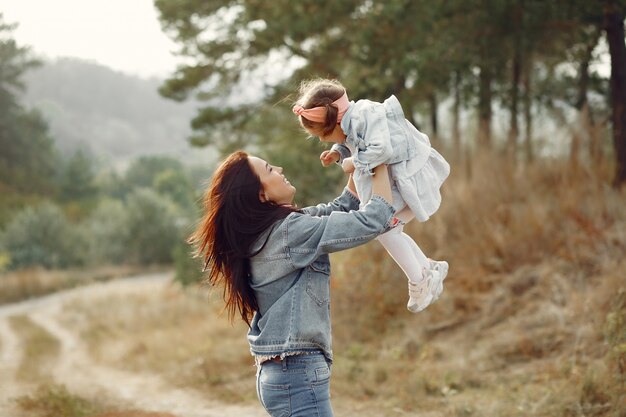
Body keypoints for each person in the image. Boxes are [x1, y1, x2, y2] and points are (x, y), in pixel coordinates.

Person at [190, 150, 396, 417]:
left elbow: (342, 207)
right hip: (296, 373)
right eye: (269, 170)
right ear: (260, 195)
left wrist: (354, 153)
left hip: (284, 372)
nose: (279, 167)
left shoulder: (275, 230)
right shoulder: (288, 233)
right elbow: (372, 220)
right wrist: (378, 162)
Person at [292, 78, 450, 313]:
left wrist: (351, 163)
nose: (321, 140)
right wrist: (337, 153)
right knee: (390, 230)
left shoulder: (364, 116)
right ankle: (427, 268)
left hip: (408, 173)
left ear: (333, 123)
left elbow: (381, 149)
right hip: (396, 176)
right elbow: (351, 139)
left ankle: (420, 280)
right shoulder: (352, 118)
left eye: (321, 135)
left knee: (385, 230)